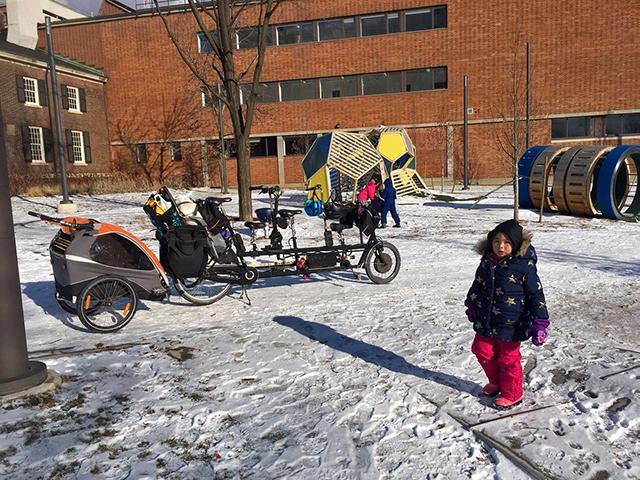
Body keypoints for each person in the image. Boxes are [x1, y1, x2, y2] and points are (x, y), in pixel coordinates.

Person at [464, 219, 550, 409]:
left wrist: (540, 323)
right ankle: (496, 382)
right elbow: (478, 284)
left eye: (506, 242)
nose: (500, 246)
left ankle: (513, 393)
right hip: (486, 318)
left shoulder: (524, 266)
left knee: (508, 359)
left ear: (516, 244)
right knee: (481, 350)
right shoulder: (487, 261)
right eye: (496, 242)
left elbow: (536, 294)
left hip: (511, 323)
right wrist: (471, 303)